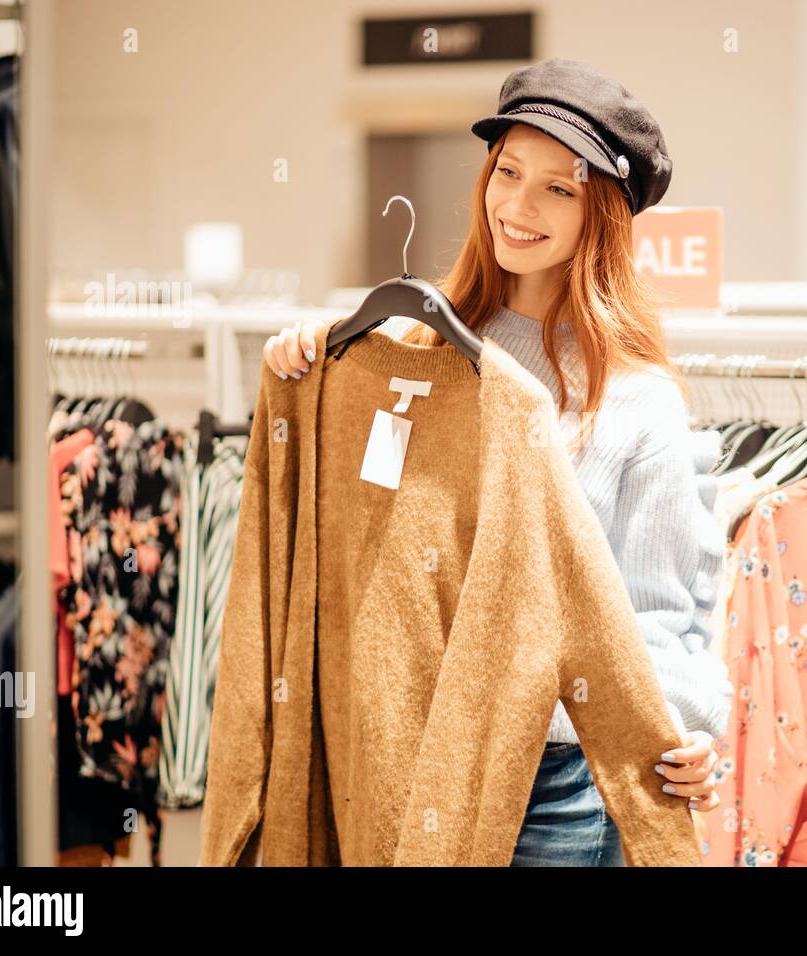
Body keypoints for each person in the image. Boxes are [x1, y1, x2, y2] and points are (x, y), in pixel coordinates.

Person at [261, 59, 730, 866]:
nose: (518, 205)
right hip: (397, 749)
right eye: (508, 171)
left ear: (603, 214)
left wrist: (680, 727)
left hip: (552, 781)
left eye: (559, 187)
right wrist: (303, 373)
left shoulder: (634, 399)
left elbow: (653, 619)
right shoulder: (412, 358)